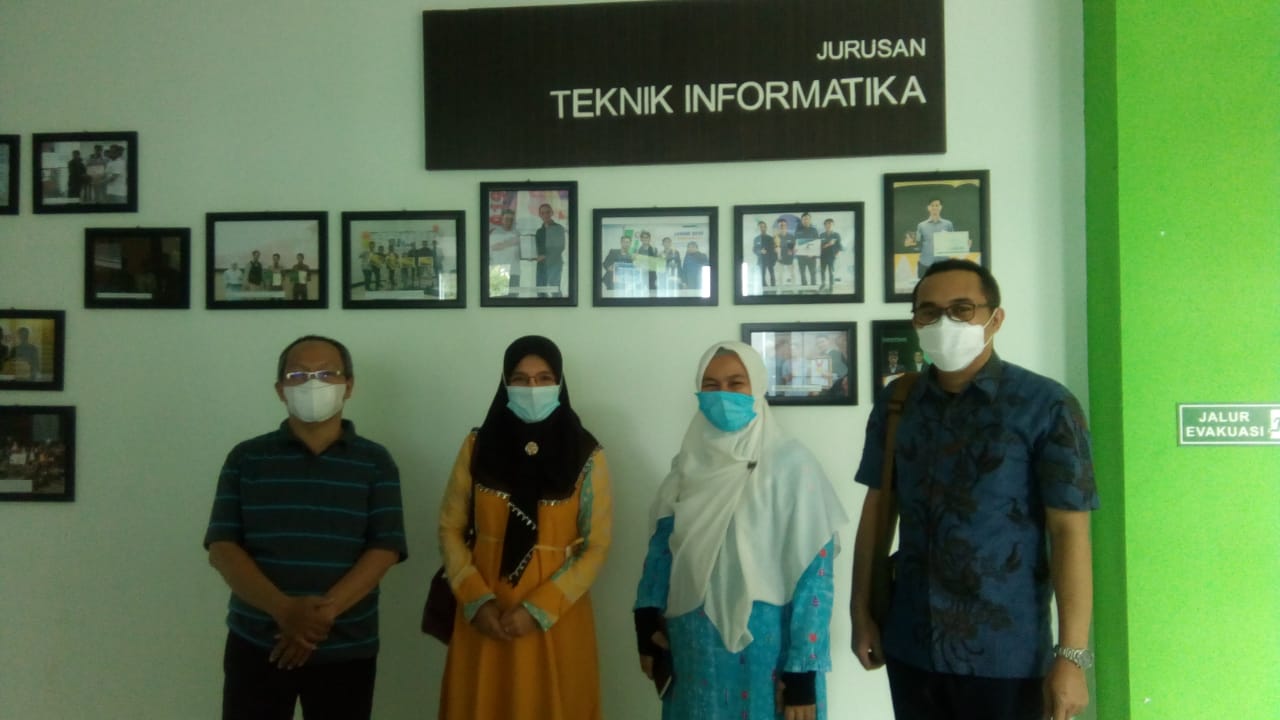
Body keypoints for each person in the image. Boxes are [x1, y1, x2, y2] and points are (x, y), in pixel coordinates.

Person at [850, 259, 1098, 720]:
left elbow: (1070, 532)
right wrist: (860, 612)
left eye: (962, 309)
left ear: (995, 319)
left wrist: (1072, 656)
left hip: (1006, 654)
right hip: (911, 645)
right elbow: (878, 509)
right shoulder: (899, 402)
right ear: (915, 322)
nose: (944, 322)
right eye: (929, 311)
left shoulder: (1046, 406)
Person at [634, 341, 847, 720]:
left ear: (758, 388)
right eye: (710, 385)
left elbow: (815, 577)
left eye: (736, 383)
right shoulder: (686, 467)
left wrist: (802, 671)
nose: (723, 395)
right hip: (693, 649)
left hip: (769, 652)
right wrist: (646, 618)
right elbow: (662, 550)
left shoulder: (792, 466)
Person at [203, 335, 407, 720]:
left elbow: (384, 549)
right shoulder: (246, 458)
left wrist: (318, 617)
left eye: (327, 374)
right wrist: (284, 610)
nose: (313, 384)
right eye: (298, 375)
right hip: (257, 643)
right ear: (280, 390)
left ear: (349, 386)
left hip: (346, 647)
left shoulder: (376, 462)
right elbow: (222, 548)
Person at [437, 335, 612, 719]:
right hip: (485, 608)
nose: (532, 388)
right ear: (505, 384)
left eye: (544, 378)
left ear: (559, 383)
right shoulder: (478, 446)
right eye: (520, 378)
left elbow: (596, 545)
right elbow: (450, 527)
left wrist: (539, 609)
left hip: (556, 613)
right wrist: (476, 600)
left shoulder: (585, 453)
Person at [914, 198, 955, 278]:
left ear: (941, 207)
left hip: (943, 264)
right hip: (925, 264)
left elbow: (953, 242)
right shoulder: (921, 225)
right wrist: (911, 244)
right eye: (932, 205)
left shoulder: (948, 224)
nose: (934, 207)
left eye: (937, 205)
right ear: (928, 208)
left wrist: (965, 245)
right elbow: (917, 244)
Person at [534, 203, 566, 297]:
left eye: (547, 212)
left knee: (554, 290)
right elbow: (536, 249)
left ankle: (560, 306)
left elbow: (560, 247)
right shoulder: (539, 231)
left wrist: (545, 256)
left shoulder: (559, 228)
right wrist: (532, 256)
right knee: (540, 291)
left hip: (554, 264)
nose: (545, 215)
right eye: (542, 213)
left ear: (552, 213)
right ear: (540, 215)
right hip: (541, 265)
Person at [490, 209, 522, 293]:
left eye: (511, 219)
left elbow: (522, 252)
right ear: (502, 219)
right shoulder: (496, 233)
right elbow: (494, 247)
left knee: (513, 297)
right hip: (499, 270)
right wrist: (512, 242)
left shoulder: (517, 233)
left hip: (514, 271)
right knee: (499, 297)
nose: (509, 221)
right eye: (507, 219)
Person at [794, 213, 819, 287]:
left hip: (812, 256)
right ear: (802, 220)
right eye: (804, 219)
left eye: (807, 219)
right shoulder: (798, 230)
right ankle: (804, 288)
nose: (806, 220)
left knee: (813, 273)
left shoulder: (814, 230)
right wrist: (795, 248)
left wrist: (813, 253)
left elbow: (817, 242)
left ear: (810, 220)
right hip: (801, 256)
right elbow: (795, 242)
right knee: (802, 273)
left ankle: (813, 288)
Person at [818, 218, 843, 291]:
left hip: (832, 256)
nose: (828, 225)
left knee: (831, 272)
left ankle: (831, 285)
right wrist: (828, 244)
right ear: (824, 225)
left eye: (830, 224)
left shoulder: (836, 235)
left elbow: (839, 246)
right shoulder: (821, 235)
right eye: (827, 224)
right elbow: (819, 246)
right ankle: (823, 284)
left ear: (833, 225)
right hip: (823, 256)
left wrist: (836, 254)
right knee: (822, 271)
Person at [752, 220, 777, 288]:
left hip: (770, 260)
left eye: (764, 227)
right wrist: (760, 251)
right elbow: (754, 250)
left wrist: (774, 260)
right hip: (761, 260)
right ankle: (764, 289)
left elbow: (774, 250)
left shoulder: (770, 238)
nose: (762, 228)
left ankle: (773, 288)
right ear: (758, 228)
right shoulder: (756, 239)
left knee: (772, 275)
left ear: (766, 228)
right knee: (762, 276)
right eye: (760, 227)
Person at [775, 218, 797, 285]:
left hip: (790, 260)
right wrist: (776, 250)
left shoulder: (791, 237)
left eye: (784, 225)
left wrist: (793, 251)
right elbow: (774, 249)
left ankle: (794, 289)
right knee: (780, 277)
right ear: (778, 226)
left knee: (792, 275)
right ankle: (780, 290)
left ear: (787, 226)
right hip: (780, 260)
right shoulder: (776, 237)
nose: (782, 227)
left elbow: (794, 248)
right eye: (781, 225)